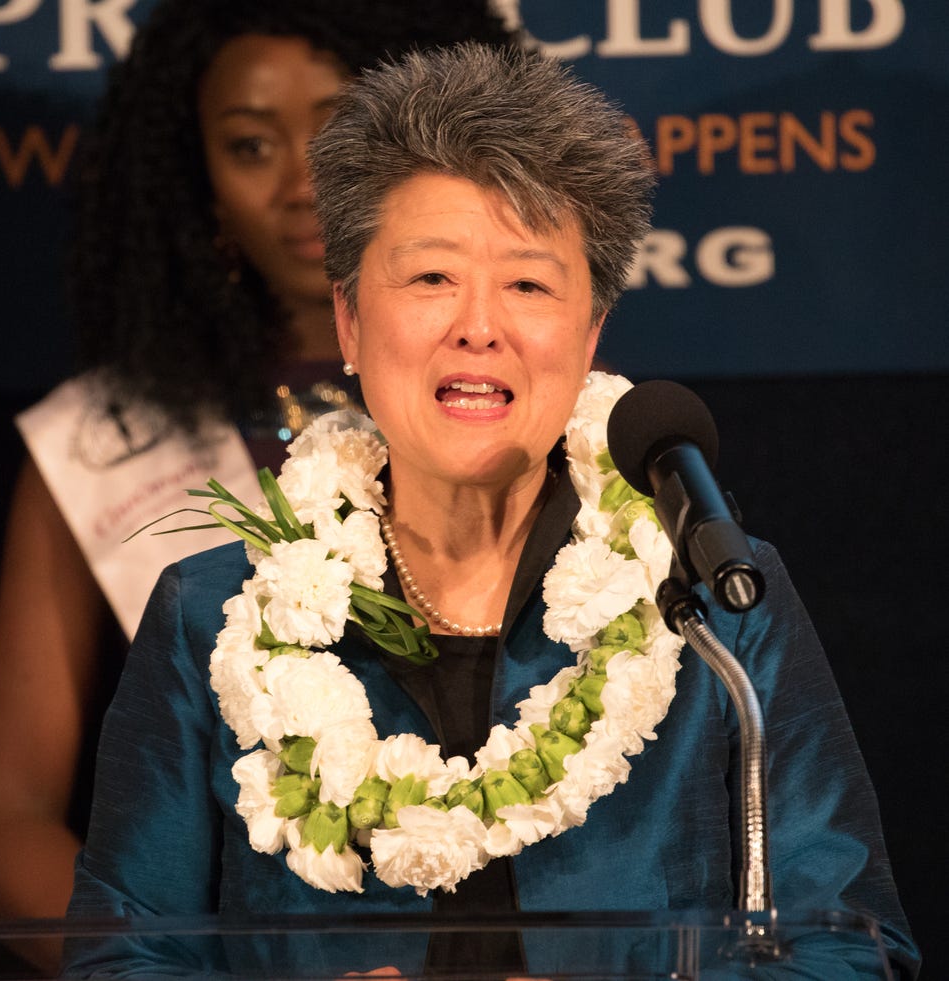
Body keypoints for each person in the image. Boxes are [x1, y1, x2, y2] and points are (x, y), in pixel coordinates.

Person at [63, 42, 919, 979]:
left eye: (529, 283)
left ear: (590, 333)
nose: (479, 324)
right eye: (431, 278)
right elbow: (119, 957)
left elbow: (846, 945)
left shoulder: (712, 598)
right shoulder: (212, 615)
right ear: (350, 321)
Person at [0, 1, 518, 972]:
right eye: (250, 145)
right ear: (199, 184)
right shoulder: (104, 443)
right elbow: (2, 819)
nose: (305, 183)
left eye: (342, 126)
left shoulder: (521, 395)